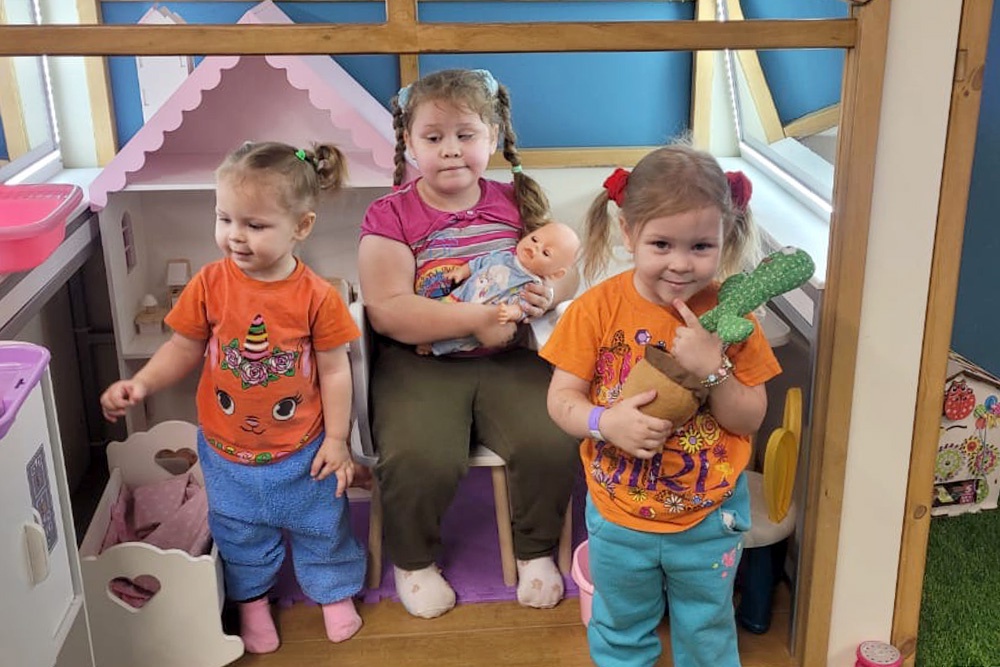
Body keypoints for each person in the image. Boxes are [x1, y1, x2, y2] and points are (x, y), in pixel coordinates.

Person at [99, 141, 367, 654]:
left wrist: (338, 440)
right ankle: (252, 602)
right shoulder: (209, 284)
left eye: (255, 225)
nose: (235, 236)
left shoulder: (316, 296)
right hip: (227, 452)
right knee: (238, 531)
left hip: (303, 451)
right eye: (224, 219)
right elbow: (182, 347)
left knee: (322, 525)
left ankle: (333, 590)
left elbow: (336, 371)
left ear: (301, 226)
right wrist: (143, 384)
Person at [540, 144, 781, 667]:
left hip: (709, 518)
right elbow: (561, 401)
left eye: (701, 246)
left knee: (708, 631)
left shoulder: (735, 318)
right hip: (619, 518)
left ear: (725, 237)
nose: (680, 263)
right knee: (620, 631)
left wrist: (713, 369)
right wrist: (605, 422)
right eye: (661, 244)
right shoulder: (595, 310)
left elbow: (750, 418)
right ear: (628, 233)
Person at [357, 68, 580, 619]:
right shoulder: (391, 215)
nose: (451, 150)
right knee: (418, 455)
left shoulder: (515, 202)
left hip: (508, 357)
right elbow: (388, 308)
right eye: (433, 137)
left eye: (466, 135)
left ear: (492, 136)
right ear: (410, 143)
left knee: (552, 437)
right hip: (420, 362)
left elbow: (567, 268)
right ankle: (414, 561)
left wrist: (550, 293)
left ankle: (534, 550)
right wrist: (473, 321)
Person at [417, 220, 581, 356]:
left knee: (460, 337)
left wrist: (512, 312)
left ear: (556, 274)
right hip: (462, 296)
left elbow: (523, 307)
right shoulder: (504, 256)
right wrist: (461, 272)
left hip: (484, 318)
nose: (536, 247)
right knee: (440, 312)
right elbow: (479, 263)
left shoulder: (532, 285)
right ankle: (426, 334)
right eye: (534, 239)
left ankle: (433, 347)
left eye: (546, 253)